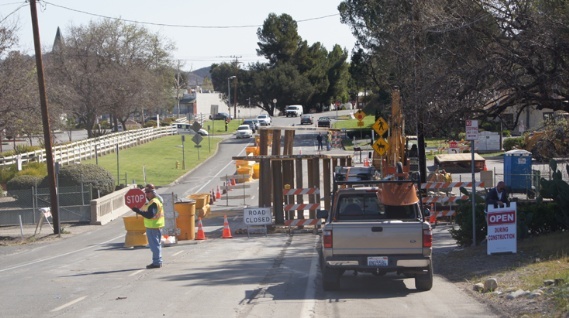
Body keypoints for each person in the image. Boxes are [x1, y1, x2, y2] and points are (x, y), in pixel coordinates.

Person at [132, 187, 165, 269]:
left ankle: (157, 262)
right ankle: (158, 261)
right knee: (157, 245)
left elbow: (150, 215)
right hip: (157, 226)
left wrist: (138, 211)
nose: (146, 194)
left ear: (152, 193)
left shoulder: (153, 202)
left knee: (154, 246)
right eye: (145, 192)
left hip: (153, 227)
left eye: (147, 192)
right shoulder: (157, 200)